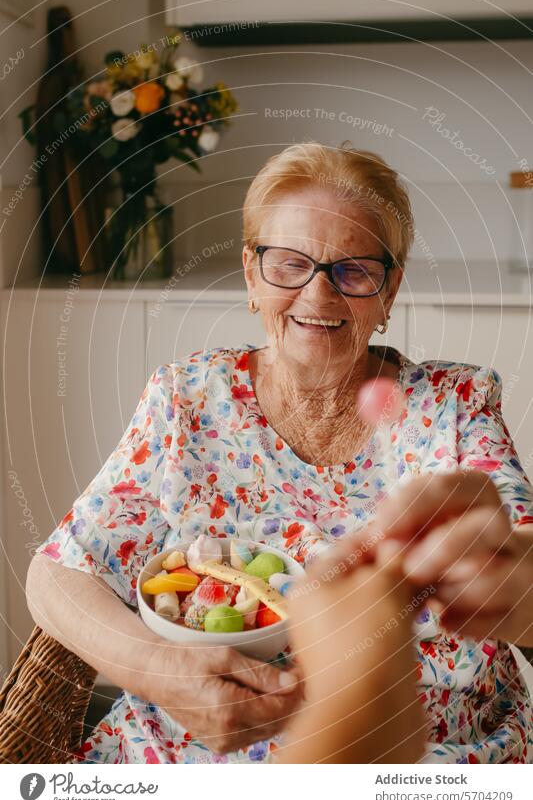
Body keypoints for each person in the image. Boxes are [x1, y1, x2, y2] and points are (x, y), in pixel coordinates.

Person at [26, 142, 533, 763]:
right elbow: (58, 572)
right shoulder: (189, 397)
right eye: (290, 264)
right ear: (251, 274)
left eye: (353, 270)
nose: (318, 295)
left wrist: (515, 588)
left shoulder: (453, 405)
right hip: (190, 759)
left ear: (389, 289)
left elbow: (519, 567)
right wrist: (161, 670)